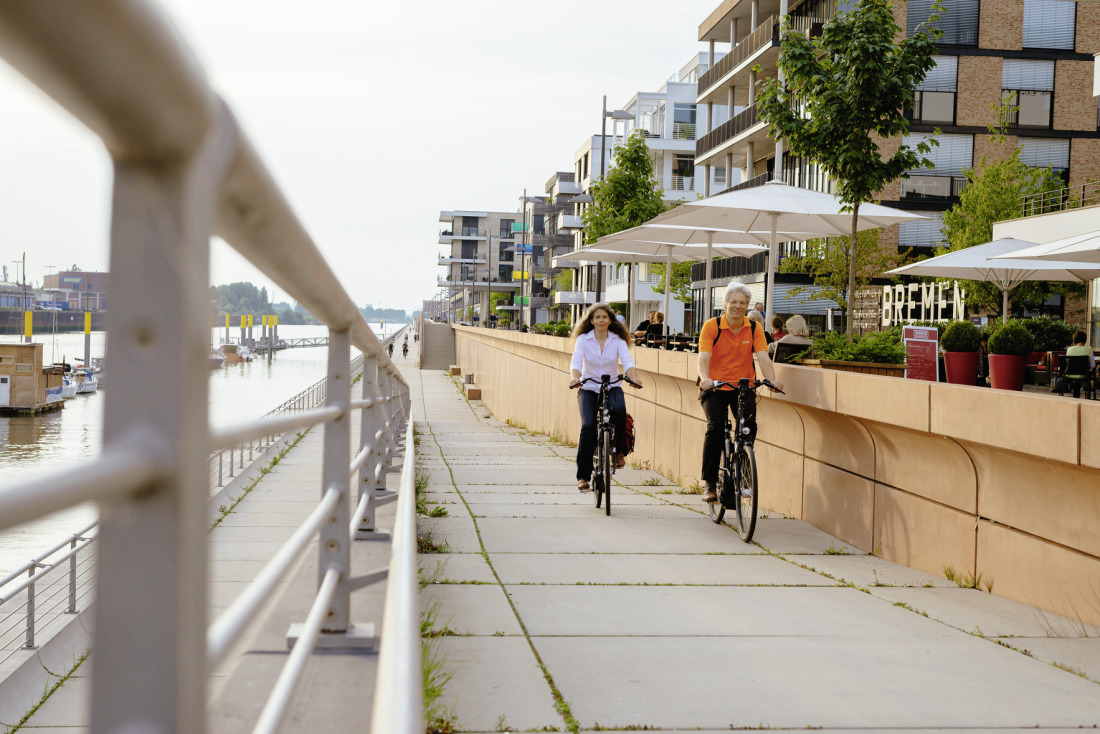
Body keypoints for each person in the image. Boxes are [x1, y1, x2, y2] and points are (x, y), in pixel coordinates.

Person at [697, 281, 783, 504]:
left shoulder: (754, 328)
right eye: (733, 302)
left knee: (748, 428)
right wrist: (705, 379)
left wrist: (772, 380)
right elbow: (703, 357)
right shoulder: (712, 326)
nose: (737, 306)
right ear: (725, 303)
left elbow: (763, 357)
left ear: (747, 306)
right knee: (716, 427)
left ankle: (741, 474)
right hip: (714, 386)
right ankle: (709, 483)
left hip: (743, 387)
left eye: (742, 303)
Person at [569, 303, 643, 491]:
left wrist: (633, 377)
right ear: (591, 321)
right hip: (588, 386)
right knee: (588, 427)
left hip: (612, 385)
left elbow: (627, 360)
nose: (601, 320)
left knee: (618, 411)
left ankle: (617, 452)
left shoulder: (617, 340)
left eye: (604, 317)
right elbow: (576, 360)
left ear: (610, 320)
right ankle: (583, 477)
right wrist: (575, 377)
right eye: (597, 317)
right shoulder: (583, 340)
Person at [1063, 330, 1096, 398]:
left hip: (1070, 374)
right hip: (1083, 374)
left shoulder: (1069, 349)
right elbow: (1093, 365)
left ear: (1074, 339)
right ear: (1085, 339)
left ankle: (1071, 385)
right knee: (1081, 377)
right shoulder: (1089, 350)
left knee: (1075, 380)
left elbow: (1067, 362)